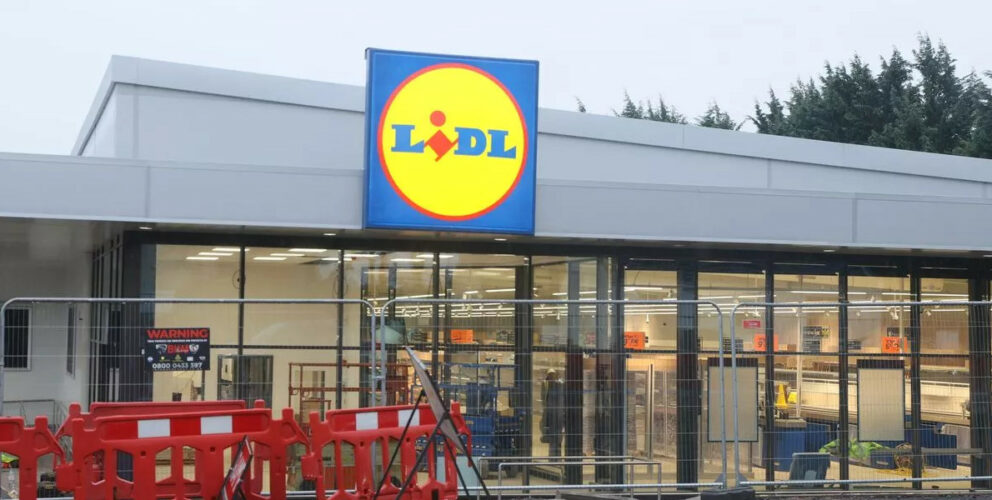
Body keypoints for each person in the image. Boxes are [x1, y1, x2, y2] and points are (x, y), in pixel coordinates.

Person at [540, 369, 566, 456]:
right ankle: (553, 457)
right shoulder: (547, 386)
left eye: (553, 375)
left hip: (557, 417)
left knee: (557, 439)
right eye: (550, 375)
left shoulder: (558, 386)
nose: (552, 378)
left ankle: (555, 457)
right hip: (553, 417)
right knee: (553, 439)